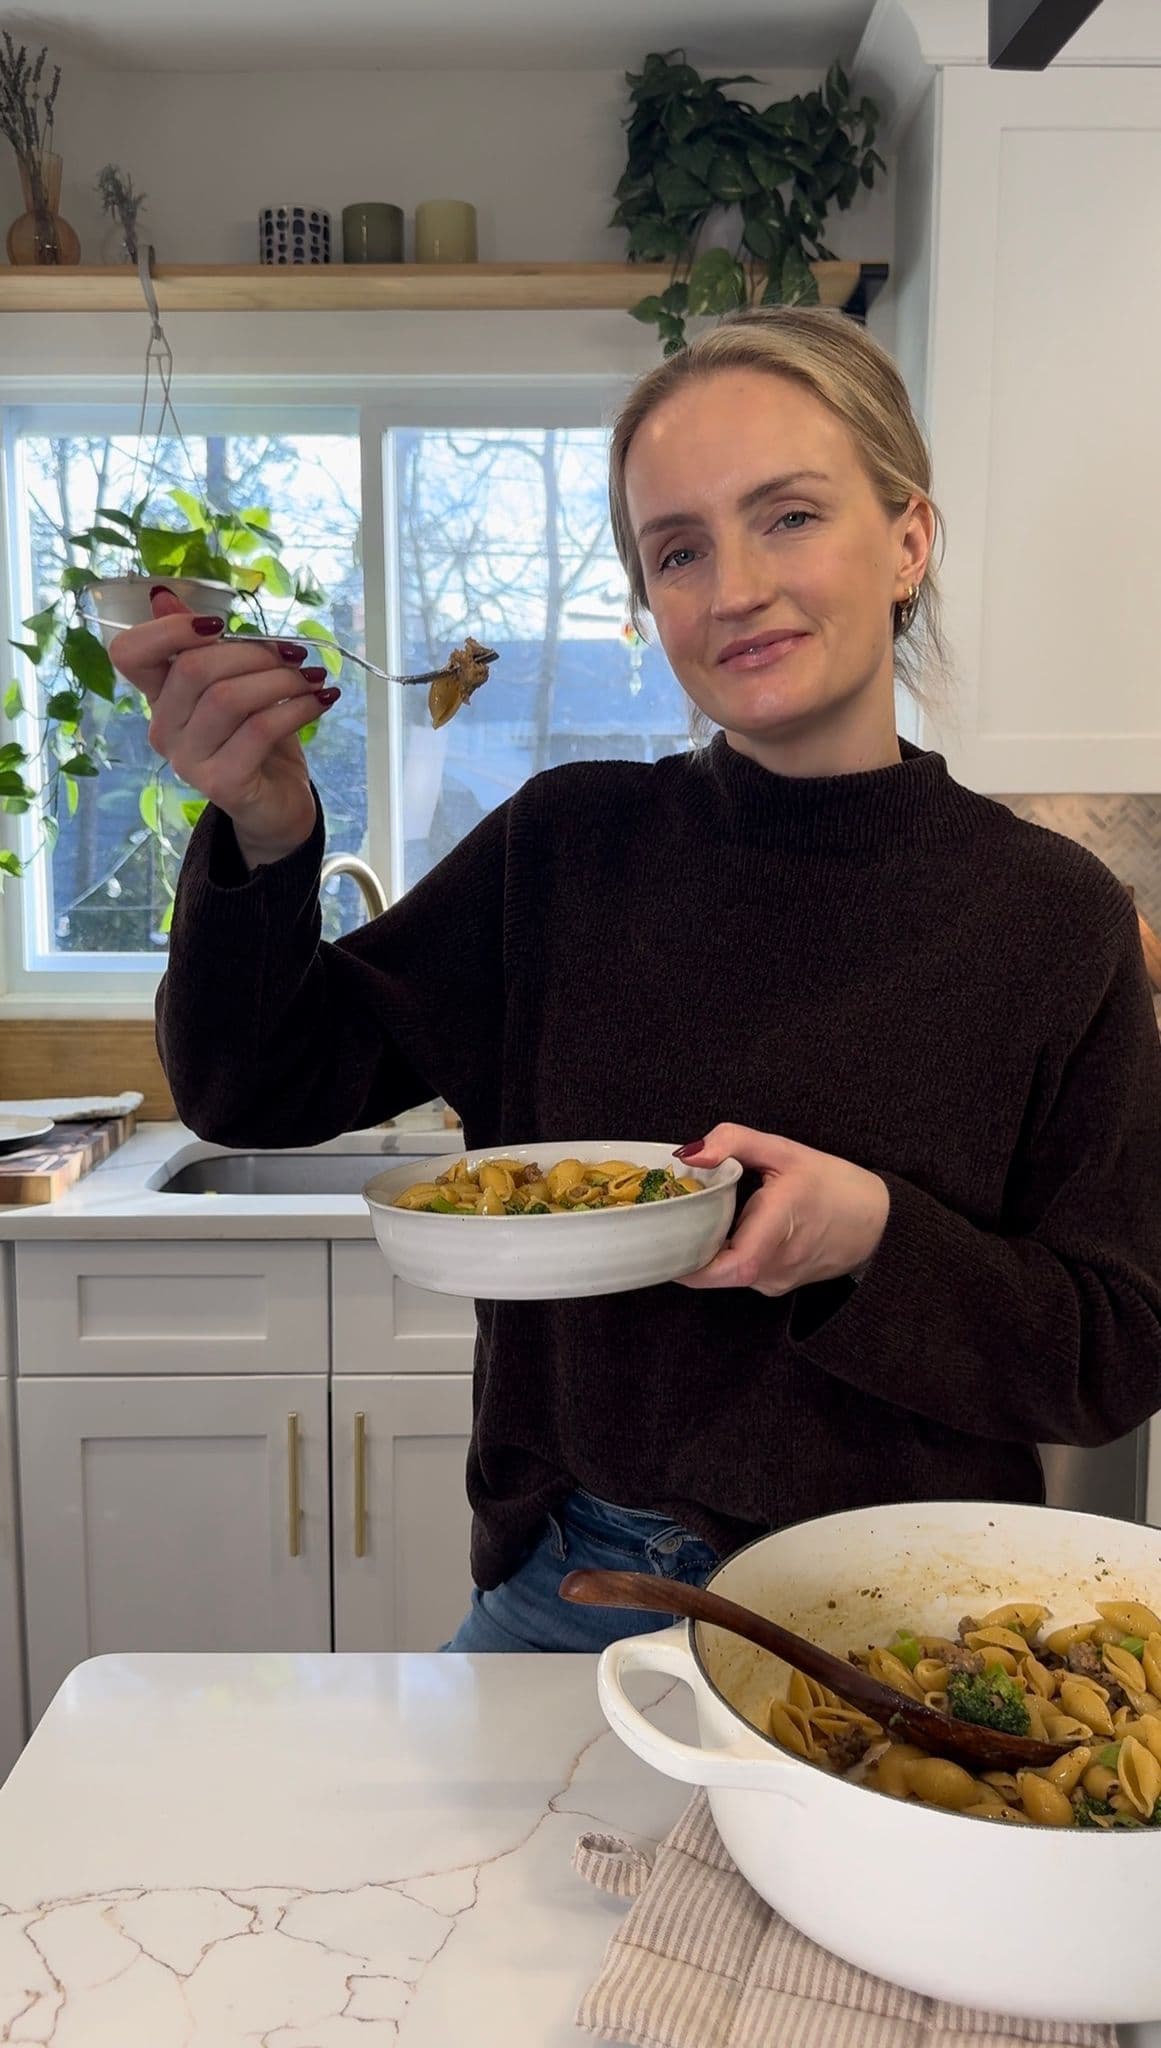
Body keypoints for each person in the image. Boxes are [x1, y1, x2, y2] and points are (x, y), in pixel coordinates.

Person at [111, 307, 1161, 1655]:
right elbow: (253, 1085)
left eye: (787, 516)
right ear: (648, 598)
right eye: (679, 548)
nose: (731, 588)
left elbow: (1112, 1350)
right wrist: (263, 830)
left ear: (907, 539)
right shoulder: (566, 847)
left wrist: (866, 1240)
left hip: (913, 1616)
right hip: (577, 1581)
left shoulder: (1050, 919)